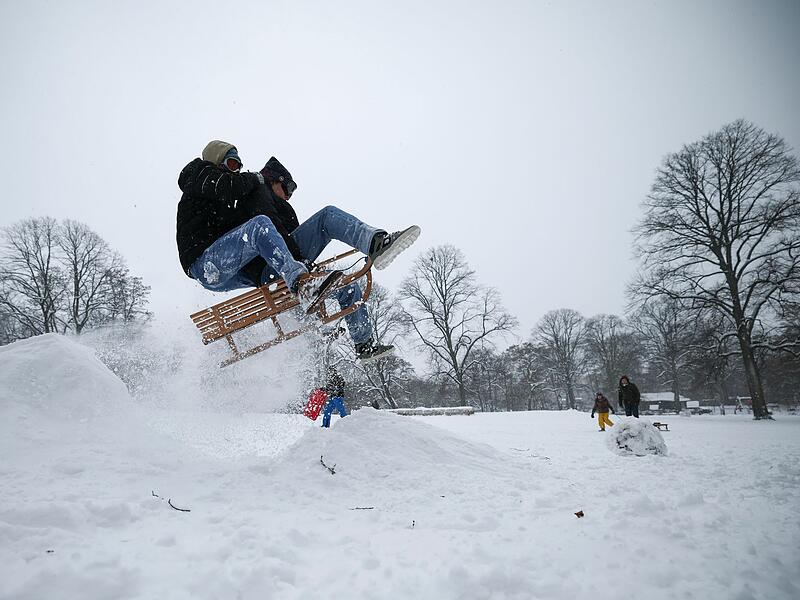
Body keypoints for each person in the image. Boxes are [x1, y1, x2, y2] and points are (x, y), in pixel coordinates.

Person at [176, 140, 420, 363]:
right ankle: (303, 284)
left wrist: (309, 269)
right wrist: (256, 180)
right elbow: (257, 218)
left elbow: (280, 238)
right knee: (264, 225)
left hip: (265, 268)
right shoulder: (211, 179)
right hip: (210, 263)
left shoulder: (250, 201)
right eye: (287, 186)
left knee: (344, 277)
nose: (289, 194)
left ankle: (364, 343)